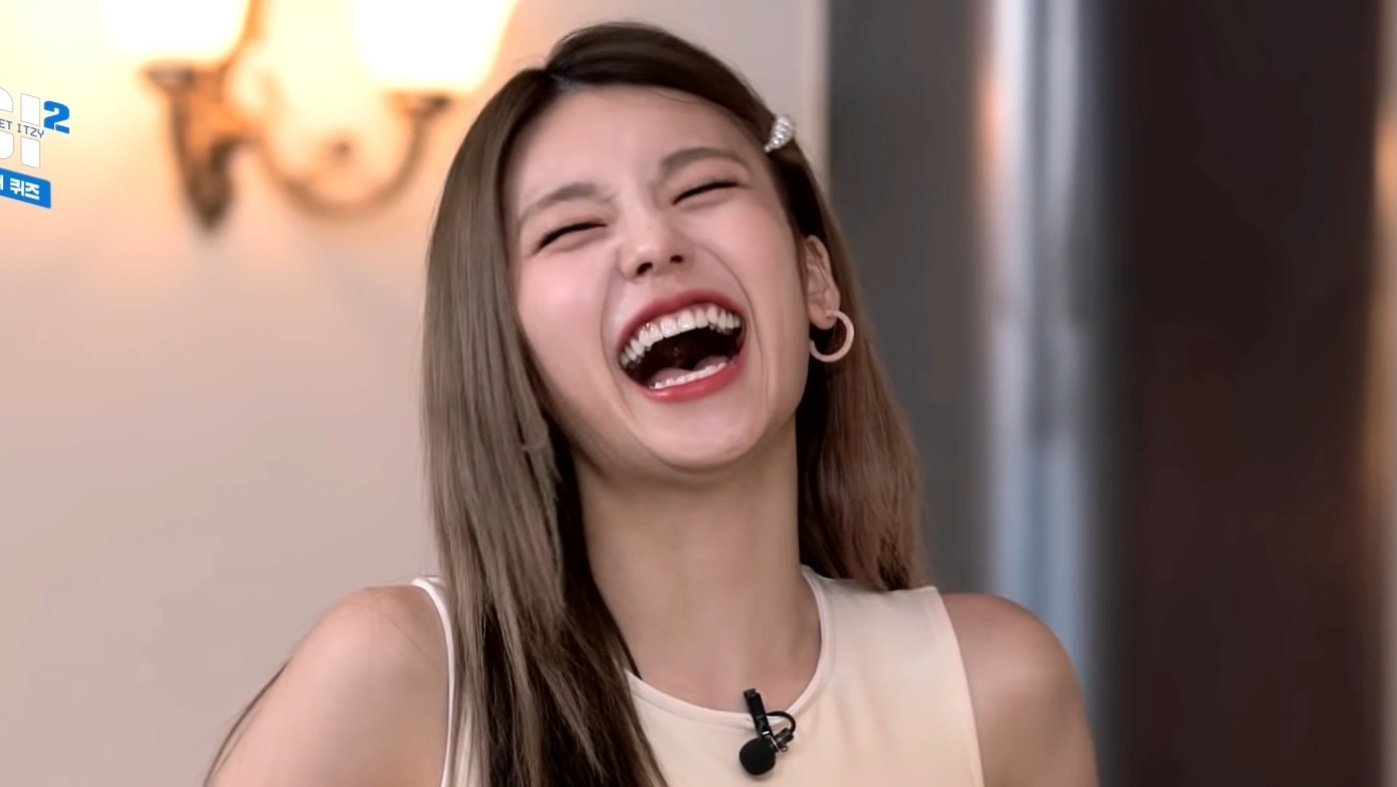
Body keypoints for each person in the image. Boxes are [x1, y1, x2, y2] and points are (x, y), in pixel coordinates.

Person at [203, 21, 1097, 787]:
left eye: (702, 189)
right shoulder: (401, 677)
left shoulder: (995, 690)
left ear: (813, 280)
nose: (652, 242)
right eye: (572, 228)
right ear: (508, 355)